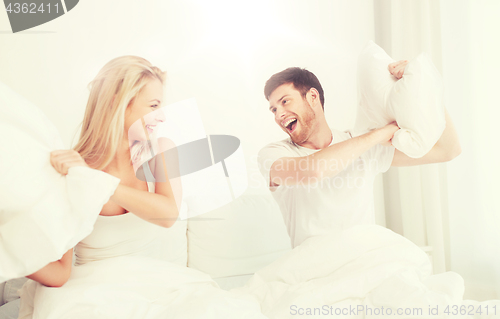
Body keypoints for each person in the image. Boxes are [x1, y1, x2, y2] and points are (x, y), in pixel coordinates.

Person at [19, 56, 267, 319]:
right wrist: (9, 250)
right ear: (118, 102)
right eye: (154, 105)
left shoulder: (161, 150)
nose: (161, 117)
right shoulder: (74, 168)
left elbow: (167, 213)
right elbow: (60, 272)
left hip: (159, 284)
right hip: (93, 290)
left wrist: (98, 183)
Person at [258, 61, 461, 248]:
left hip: (363, 264)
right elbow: (313, 171)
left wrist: (424, 87)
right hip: (313, 270)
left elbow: (448, 150)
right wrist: (381, 132)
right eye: (273, 109)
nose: (279, 115)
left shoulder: (361, 144)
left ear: (312, 97)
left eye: (285, 102)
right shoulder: (274, 154)